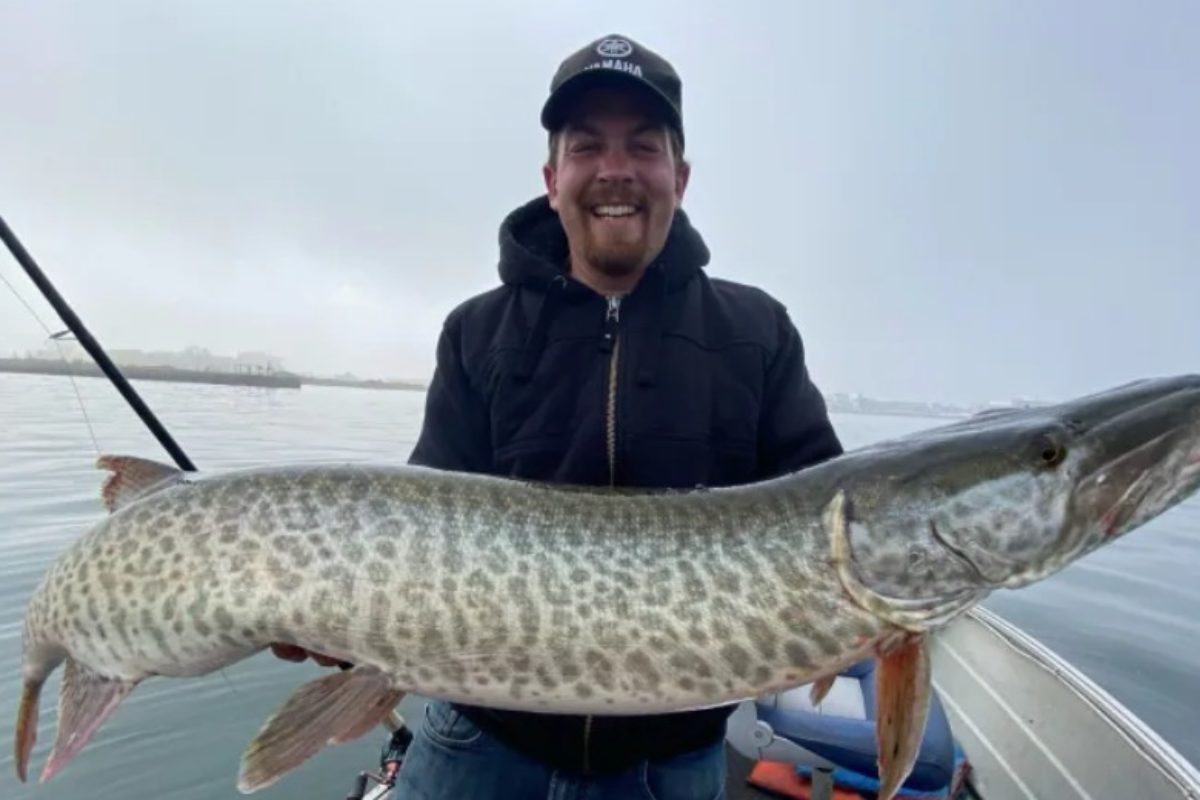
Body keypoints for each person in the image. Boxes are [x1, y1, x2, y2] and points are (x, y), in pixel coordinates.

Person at [276, 32, 843, 799]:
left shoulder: (758, 332)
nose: (615, 170)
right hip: (478, 746)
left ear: (680, 175)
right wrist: (335, 617)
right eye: (587, 147)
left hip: (668, 767)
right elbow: (417, 536)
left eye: (643, 146)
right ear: (553, 178)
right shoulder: (475, 332)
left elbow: (823, 526)